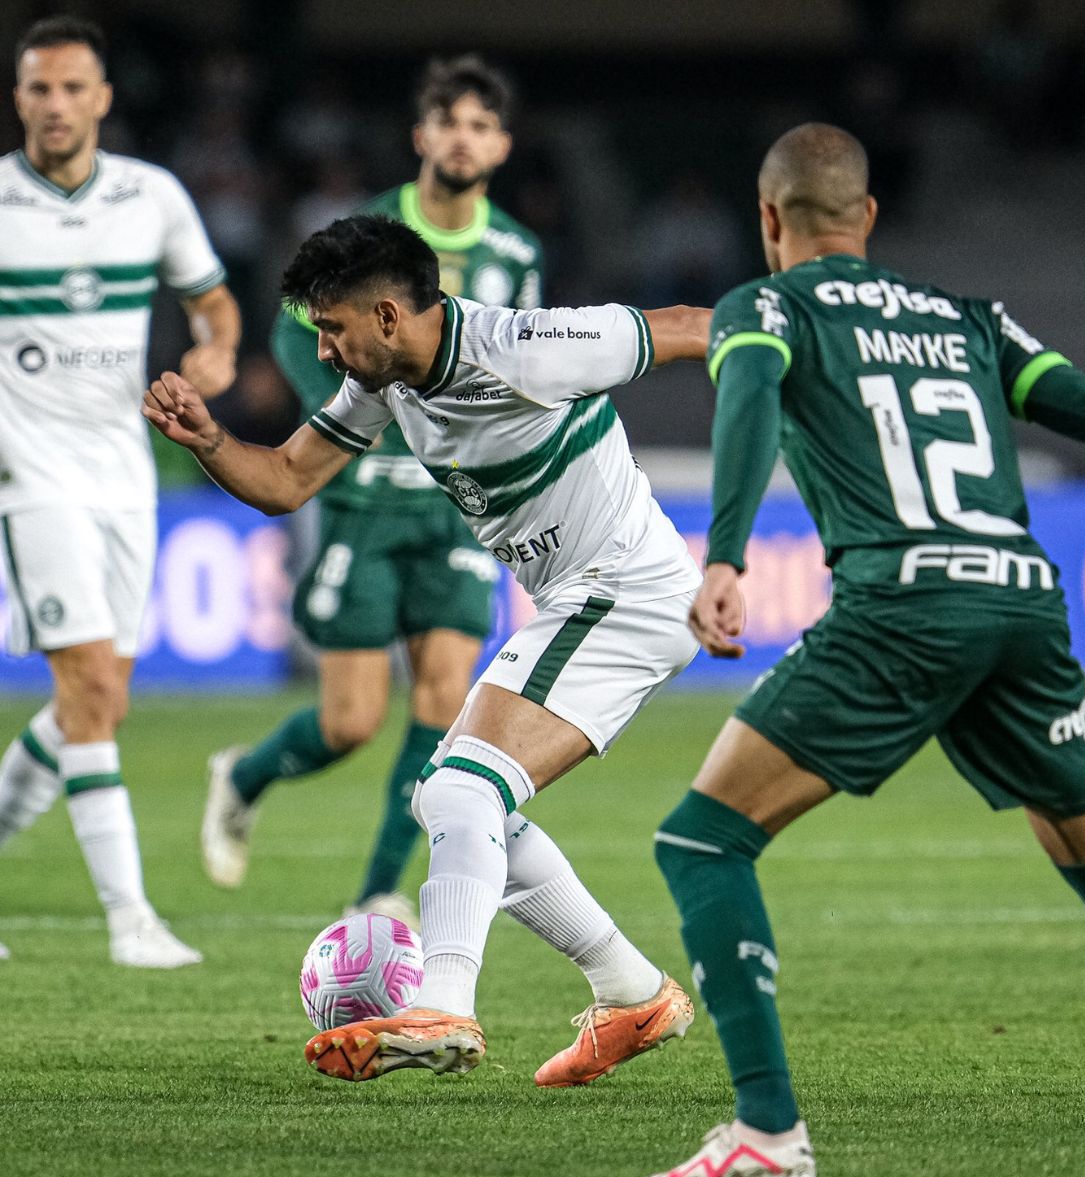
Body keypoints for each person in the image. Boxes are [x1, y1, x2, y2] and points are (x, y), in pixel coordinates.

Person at [638, 122, 1085, 1177]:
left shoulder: (767, 307)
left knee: (703, 843)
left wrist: (723, 557)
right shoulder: (967, 319)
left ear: (768, 221)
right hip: (1024, 603)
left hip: (903, 604)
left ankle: (768, 1133)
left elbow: (750, 396)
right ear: (870, 220)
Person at [145, 213, 709, 1085]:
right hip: (580, 599)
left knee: (459, 787)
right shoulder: (385, 385)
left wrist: (804, 359)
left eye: (332, 329)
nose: (324, 352)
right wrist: (210, 441)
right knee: (460, 802)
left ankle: (446, 1003)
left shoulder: (525, 346)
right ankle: (631, 990)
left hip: (626, 592)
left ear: (386, 318)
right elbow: (287, 480)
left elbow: (690, 329)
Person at [202, 56, 541, 926]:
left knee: (441, 706)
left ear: (499, 145)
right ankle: (241, 775)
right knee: (350, 720)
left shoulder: (516, 255)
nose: (462, 138)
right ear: (422, 135)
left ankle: (377, 896)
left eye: (480, 125)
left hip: (458, 509)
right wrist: (341, 423)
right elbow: (290, 335)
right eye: (448, 122)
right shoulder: (370, 234)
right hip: (368, 503)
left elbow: (524, 366)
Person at [0, 18, 240, 968]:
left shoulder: (154, 197)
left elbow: (211, 303)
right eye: (37, 90)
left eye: (71, 89)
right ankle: (130, 919)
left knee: (97, 702)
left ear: (101, 98)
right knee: (90, 687)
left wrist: (215, 353)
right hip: (29, 474)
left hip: (124, 476)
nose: (54, 105)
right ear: (19, 98)